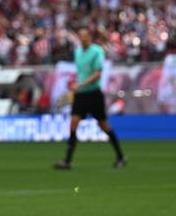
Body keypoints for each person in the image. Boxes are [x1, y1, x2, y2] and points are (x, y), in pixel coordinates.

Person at [53, 27, 126, 170]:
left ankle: (120, 156)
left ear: (90, 38)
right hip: (81, 94)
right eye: (80, 36)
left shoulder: (97, 51)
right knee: (73, 123)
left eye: (85, 36)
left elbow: (98, 74)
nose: (83, 38)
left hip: (93, 94)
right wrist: (74, 86)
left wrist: (80, 84)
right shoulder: (78, 52)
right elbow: (82, 73)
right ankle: (67, 161)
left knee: (103, 125)